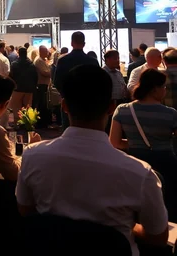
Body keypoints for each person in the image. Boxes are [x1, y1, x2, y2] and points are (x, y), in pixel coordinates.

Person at [16, 64, 169, 255]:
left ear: (64, 106)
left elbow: (25, 209)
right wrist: (129, 226)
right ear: (111, 107)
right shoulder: (140, 173)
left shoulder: (32, 156)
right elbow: (158, 237)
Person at [110, 68, 177, 220]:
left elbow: (114, 142)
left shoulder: (123, 110)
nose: (165, 90)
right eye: (163, 87)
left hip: (136, 161)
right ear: (154, 90)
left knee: (138, 206)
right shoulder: (171, 114)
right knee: (168, 204)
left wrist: (135, 143)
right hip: (166, 163)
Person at [53, 32, 99, 129]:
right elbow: (98, 81)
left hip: (68, 100)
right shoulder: (92, 61)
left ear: (71, 43)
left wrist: (65, 95)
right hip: (88, 101)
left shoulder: (63, 60)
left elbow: (57, 81)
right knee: (87, 129)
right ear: (84, 44)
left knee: (68, 129)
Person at [8, 47, 38, 122]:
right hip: (29, 89)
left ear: (18, 53)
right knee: (27, 107)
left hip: (17, 89)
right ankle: (28, 124)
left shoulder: (14, 64)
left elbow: (11, 76)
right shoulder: (31, 64)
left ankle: (18, 123)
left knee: (16, 108)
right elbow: (35, 76)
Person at [33, 45, 52, 128]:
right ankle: (42, 124)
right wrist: (52, 72)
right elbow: (45, 73)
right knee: (42, 105)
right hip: (41, 85)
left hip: (43, 85)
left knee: (44, 104)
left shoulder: (42, 60)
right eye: (46, 51)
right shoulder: (39, 61)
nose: (47, 53)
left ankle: (44, 123)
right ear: (42, 51)